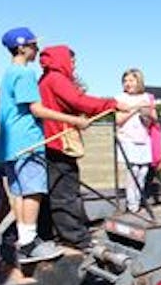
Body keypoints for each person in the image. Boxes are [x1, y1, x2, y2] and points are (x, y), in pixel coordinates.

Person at [0, 28, 89, 281]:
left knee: (17, 191)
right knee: (33, 191)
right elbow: (37, 110)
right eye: (33, 45)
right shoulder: (25, 73)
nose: (36, 50)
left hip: (9, 144)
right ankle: (28, 244)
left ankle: (24, 236)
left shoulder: (8, 73)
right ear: (21, 48)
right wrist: (74, 120)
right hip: (27, 140)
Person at [38, 45, 126, 252]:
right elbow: (77, 101)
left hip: (49, 139)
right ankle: (75, 238)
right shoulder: (57, 78)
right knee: (65, 191)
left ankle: (52, 233)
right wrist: (112, 104)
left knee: (52, 191)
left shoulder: (46, 78)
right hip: (58, 141)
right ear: (62, 60)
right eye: (72, 61)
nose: (74, 65)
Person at [115, 68, 157, 214]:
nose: (127, 83)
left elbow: (153, 119)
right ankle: (132, 203)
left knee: (143, 171)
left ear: (138, 81)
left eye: (131, 80)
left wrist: (147, 113)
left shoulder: (146, 97)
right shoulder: (120, 98)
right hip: (127, 139)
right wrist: (134, 108)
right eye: (125, 81)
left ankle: (138, 200)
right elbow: (118, 120)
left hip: (143, 138)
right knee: (132, 171)